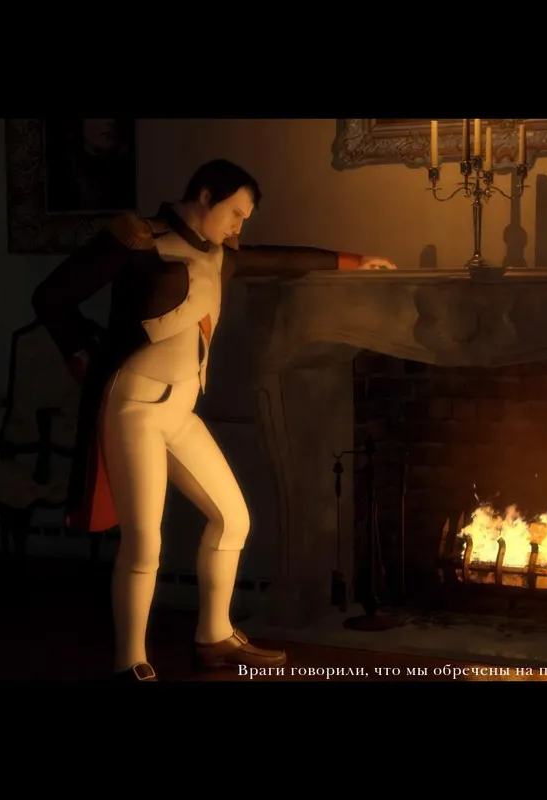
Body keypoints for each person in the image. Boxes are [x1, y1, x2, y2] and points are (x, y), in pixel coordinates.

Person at [31, 158, 396, 682]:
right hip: (134, 407)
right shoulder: (139, 239)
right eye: (235, 212)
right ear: (204, 195)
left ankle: (215, 636)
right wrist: (80, 351)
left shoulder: (222, 255)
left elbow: (279, 258)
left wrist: (353, 261)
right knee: (145, 543)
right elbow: (51, 296)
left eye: (245, 218)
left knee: (233, 519)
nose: (239, 225)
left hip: (180, 411)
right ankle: (130, 661)